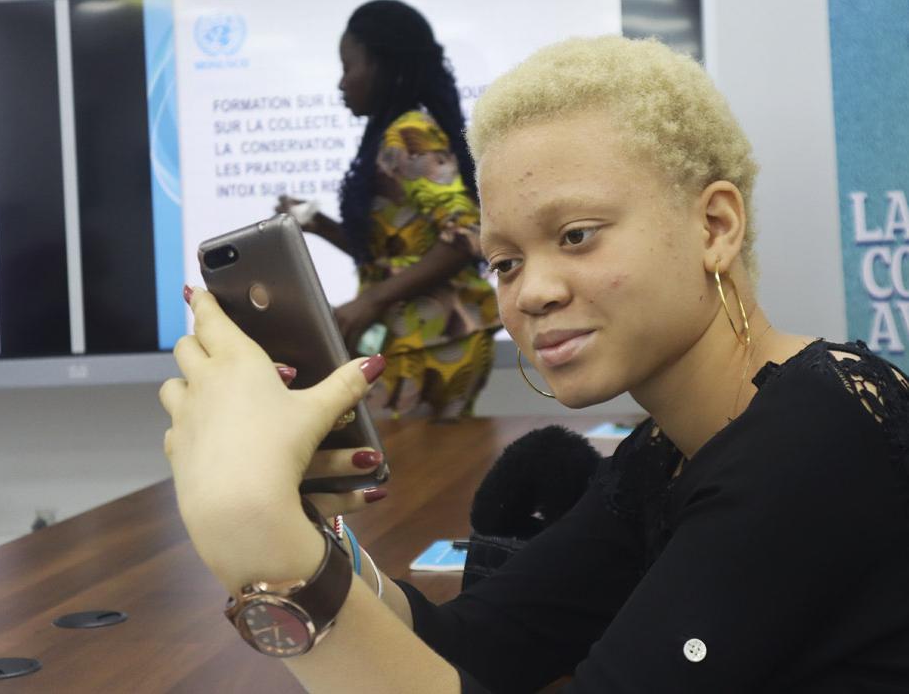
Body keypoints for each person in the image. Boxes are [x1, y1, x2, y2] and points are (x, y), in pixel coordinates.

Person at [161, 35, 909, 693]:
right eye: (505, 262)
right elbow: (471, 647)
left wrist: (266, 552)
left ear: (714, 225)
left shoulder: (817, 437)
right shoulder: (665, 453)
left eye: (576, 235)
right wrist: (309, 536)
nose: (532, 292)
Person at [274, 0, 499, 420]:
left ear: (382, 66)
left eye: (348, 66)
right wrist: (318, 224)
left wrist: (372, 300)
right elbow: (392, 255)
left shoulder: (408, 133)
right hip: (418, 334)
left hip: (435, 336)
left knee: (405, 458)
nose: (342, 82)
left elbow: (467, 234)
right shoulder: (393, 134)